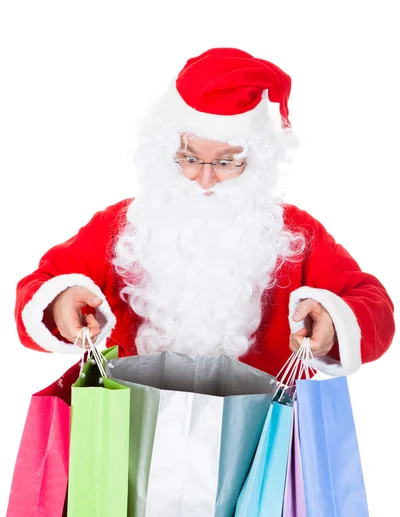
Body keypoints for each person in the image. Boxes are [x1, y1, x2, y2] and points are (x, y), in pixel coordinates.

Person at [15, 47, 395, 377]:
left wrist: (333, 320)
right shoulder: (124, 226)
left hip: (259, 442)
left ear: (256, 163)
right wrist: (61, 301)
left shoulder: (294, 232)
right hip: (133, 433)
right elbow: (39, 286)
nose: (206, 180)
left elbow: (374, 306)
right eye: (190, 158)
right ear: (166, 152)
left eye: (228, 163)